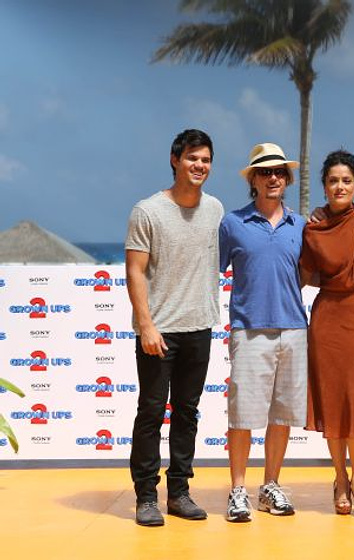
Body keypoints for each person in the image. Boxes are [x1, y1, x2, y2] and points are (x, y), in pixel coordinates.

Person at [125, 129, 223, 527]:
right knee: (151, 412)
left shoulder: (215, 209)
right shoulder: (147, 211)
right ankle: (145, 497)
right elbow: (135, 269)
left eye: (205, 159)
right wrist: (146, 325)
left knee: (187, 412)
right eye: (192, 158)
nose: (199, 165)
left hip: (199, 327)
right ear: (174, 160)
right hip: (159, 331)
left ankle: (178, 493)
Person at [219, 143, 308, 522]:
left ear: (286, 179)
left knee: (282, 416)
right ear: (253, 180)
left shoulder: (301, 225)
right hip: (249, 330)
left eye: (279, 172)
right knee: (242, 417)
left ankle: (270, 486)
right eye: (264, 171)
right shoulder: (232, 223)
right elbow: (210, 269)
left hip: (294, 329)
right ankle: (237, 490)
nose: (273, 177)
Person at [300, 150, 354, 518]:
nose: (340, 186)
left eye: (346, 181)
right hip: (328, 317)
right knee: (333, 400)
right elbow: (306, 274)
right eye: (333, 180)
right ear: (324, 186)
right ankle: (339, 478)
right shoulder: (313, 227)